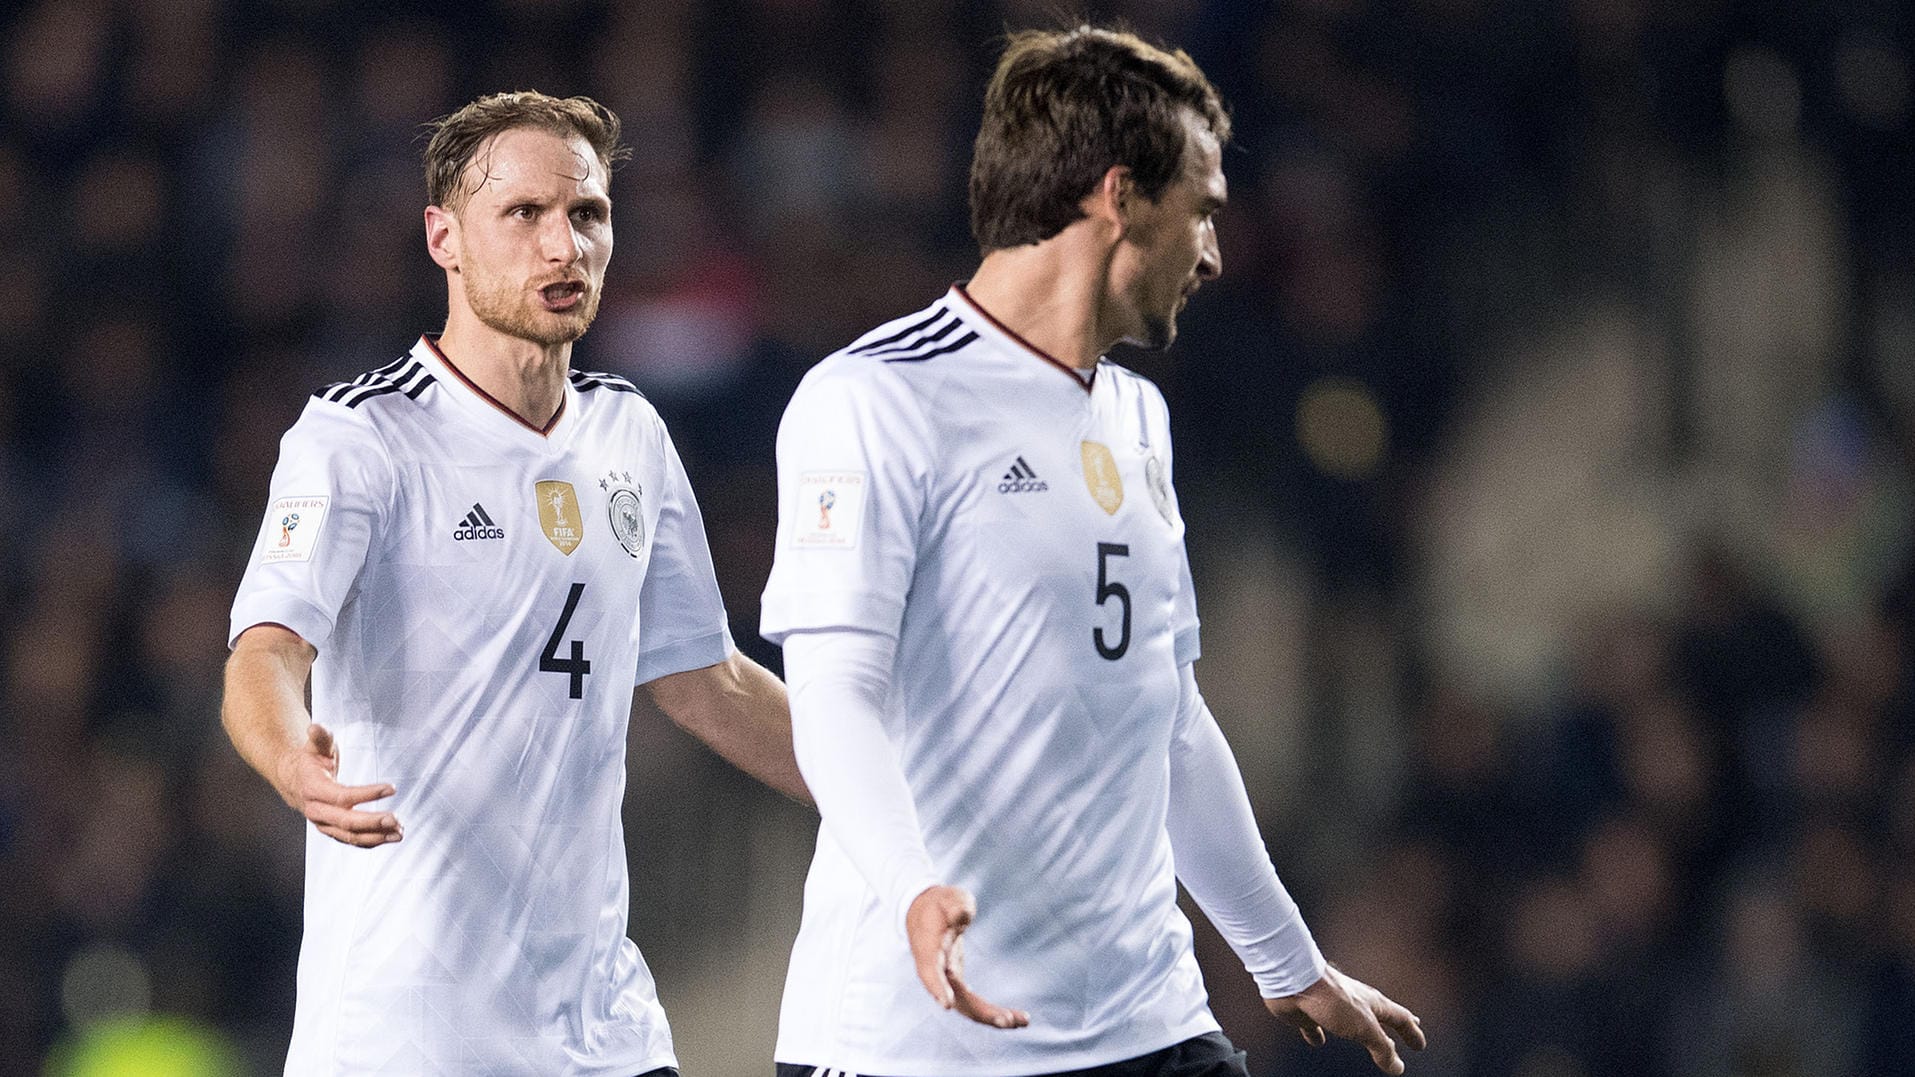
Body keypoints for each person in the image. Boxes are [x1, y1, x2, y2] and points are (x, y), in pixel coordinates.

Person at [760, 26, 1426, 1077]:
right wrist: (911, 891)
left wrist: (1283, 958)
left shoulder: (1136, 419)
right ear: (1119, 196)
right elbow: (834, 693)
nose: (1212, 254)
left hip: (1145, 1024)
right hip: (923, 1041)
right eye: (1201, 211)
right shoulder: (876, 399)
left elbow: (1168, 716)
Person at [222, 91, 806, 1077]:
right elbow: (266, 650)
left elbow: (707, 682)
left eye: (586, 215)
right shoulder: (361, 437)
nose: (562, 247)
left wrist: (897, 795)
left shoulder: (631, 434)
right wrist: (293, 763)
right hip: (408, 1039)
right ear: (444, 237)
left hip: (603, 1034)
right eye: (524, 215)